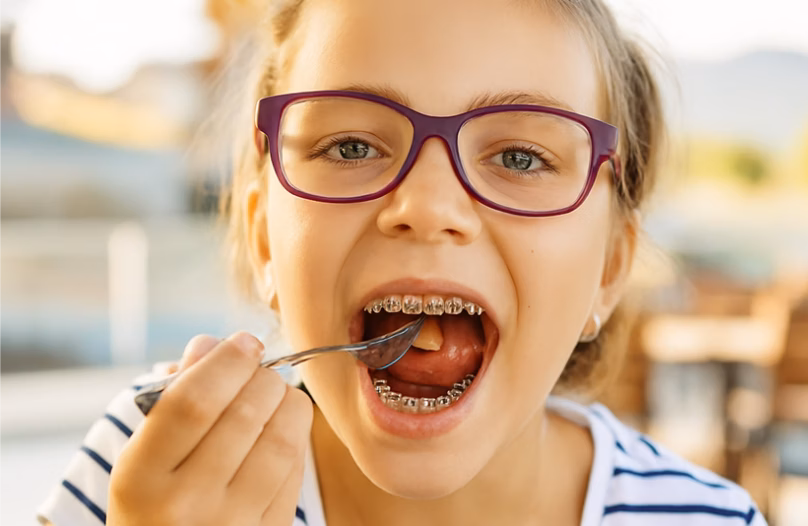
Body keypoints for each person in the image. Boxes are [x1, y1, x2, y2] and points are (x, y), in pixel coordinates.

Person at [38, 0, 767, 524]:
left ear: (608, 269)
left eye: (520, 157)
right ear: (263, 239)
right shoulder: (151, 466)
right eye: (352, 146)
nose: (427, 204)